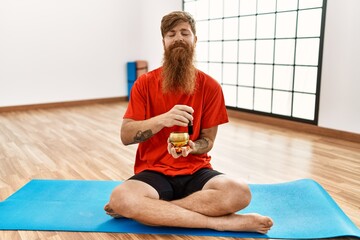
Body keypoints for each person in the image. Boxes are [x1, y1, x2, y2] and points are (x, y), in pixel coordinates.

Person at [104, 11, 273, 233]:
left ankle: (153, 211)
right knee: (121, 198)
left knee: (240, 192)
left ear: (195, 39)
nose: (178, 38)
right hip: (154, 172)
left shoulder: (210, 87)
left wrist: (194, 147)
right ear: (163, 42)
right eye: (171, 34)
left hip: (196, 170)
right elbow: (126, 136)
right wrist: (163, 120)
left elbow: (208, 141)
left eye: (185, 32)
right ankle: (220, 223)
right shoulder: (144, 84)